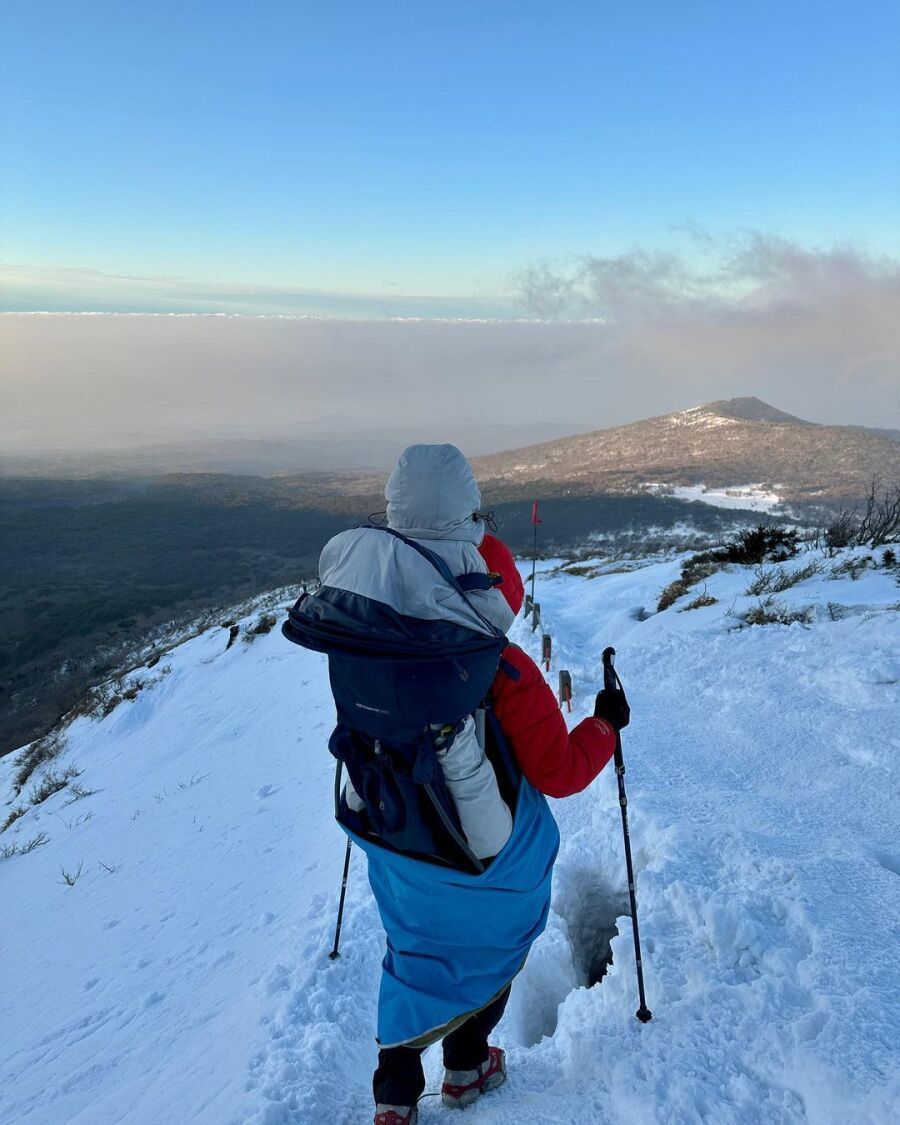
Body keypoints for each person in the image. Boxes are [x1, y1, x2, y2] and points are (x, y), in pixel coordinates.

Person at [302, 445, 626, 1125]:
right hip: (486, 856)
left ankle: (394, 1095)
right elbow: (561, 773)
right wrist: (605, 726)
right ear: (470, 521)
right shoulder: (496, 660)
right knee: (492, 951)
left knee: (415, 951)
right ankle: (466, 1065)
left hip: (392, 832)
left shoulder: (359, 631)